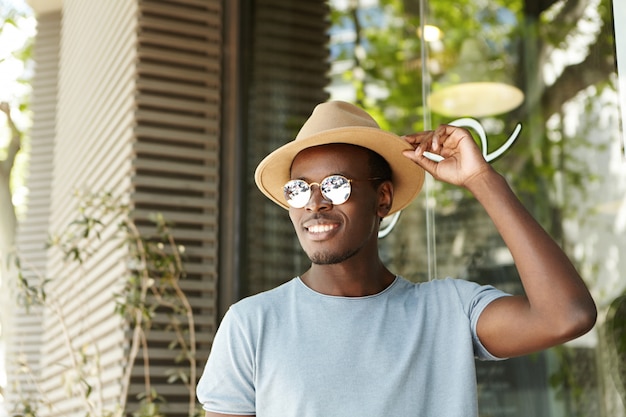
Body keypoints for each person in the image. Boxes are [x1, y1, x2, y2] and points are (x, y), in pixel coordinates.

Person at [196, 100, 597, 417]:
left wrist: (481, 180)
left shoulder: (449, 311)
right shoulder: (251, 324)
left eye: (335, 185)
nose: (314, 203)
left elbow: (567, 315)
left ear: (382, 198)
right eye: (298, 190)